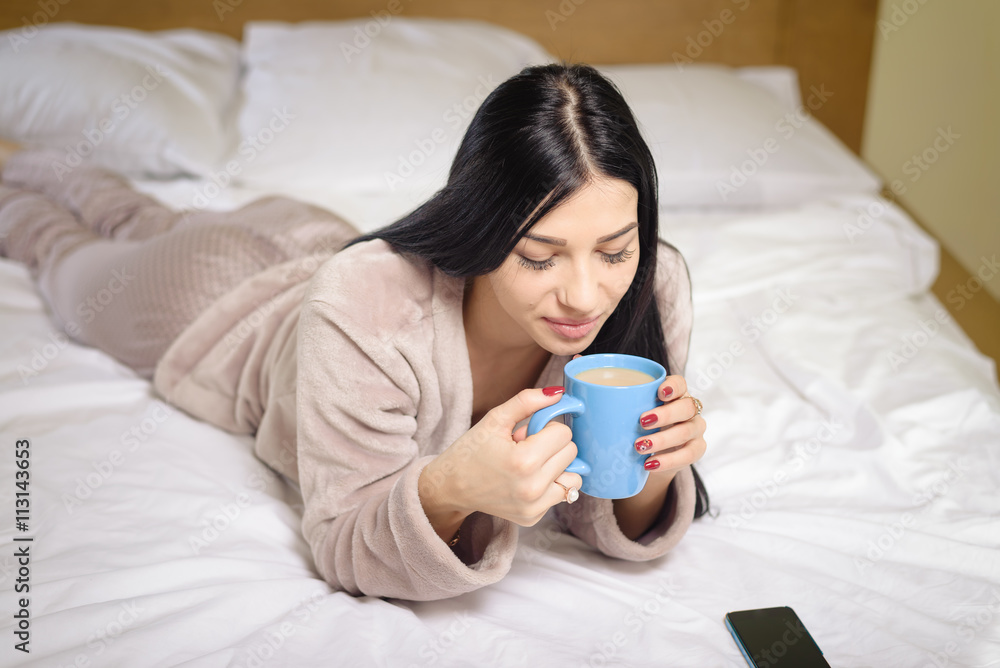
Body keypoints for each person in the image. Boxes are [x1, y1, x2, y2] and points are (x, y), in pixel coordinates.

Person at [0, 63, 708, 601]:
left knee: (140, 217)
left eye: (615, 250)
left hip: (314, 242)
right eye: (539, 256)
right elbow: (345, 543)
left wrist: (660, 463)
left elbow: (606, 507)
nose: (587, 294)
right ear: (483, 225)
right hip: (214, 295)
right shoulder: (370, 301)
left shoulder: (653, 288)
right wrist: (453, 488)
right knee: (58, 249)